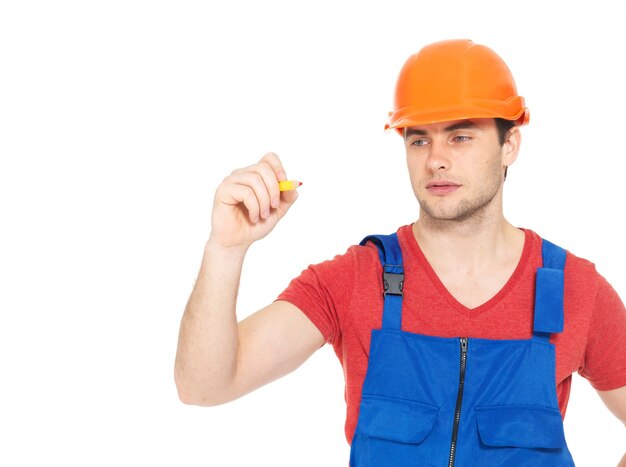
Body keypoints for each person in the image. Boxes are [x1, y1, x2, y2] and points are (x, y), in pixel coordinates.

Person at [174, 39, 626, 466]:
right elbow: (204, 385)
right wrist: (225, 249)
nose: (435, 160)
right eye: (419, 139)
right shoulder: (354, 280)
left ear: (509, 145)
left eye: (461, 136)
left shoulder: (574, 290)